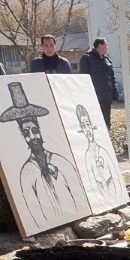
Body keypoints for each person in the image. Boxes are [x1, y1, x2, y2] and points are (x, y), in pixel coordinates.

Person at [0, 82, 82, 230]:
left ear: (40, 130)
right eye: (26, 133)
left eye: (34, 131)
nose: (33, 137)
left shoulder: (61, 161)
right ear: (22, 136)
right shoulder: (27, 173)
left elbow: (80, 196)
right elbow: (34, 214)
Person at [76, 104, 121, 204]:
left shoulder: (103, 151)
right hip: (100, 201)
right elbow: (91, 186)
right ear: (81, 129)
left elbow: (116, 178)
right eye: (83, 126)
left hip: (114, 196)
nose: (87, 130)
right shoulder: (87, 156)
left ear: (92, 125)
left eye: (88, 124)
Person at [79, 38, 119, 129]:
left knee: (106, 119)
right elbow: (84, 78)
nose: (107, 47)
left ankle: (107, 131)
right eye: (106, 45)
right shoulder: (87, 58)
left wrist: (115, 93)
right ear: (100, 45)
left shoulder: (107, 60)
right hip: (94, 96)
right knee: (95, 119)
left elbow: (112, 78)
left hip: (107, 96)